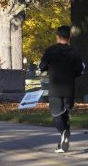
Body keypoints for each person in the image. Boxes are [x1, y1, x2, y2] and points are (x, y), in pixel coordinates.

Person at [39, 25, 84, 153]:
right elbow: (80, 70)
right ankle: (61, 144)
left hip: (55, 89)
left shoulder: (50, 51)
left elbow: (42, 66)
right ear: (69, 37)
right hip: (69, 89)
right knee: (65, 115)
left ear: (57, 36)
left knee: (57, 116)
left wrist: (46, 67)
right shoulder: (75, 53)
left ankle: (64, 132)